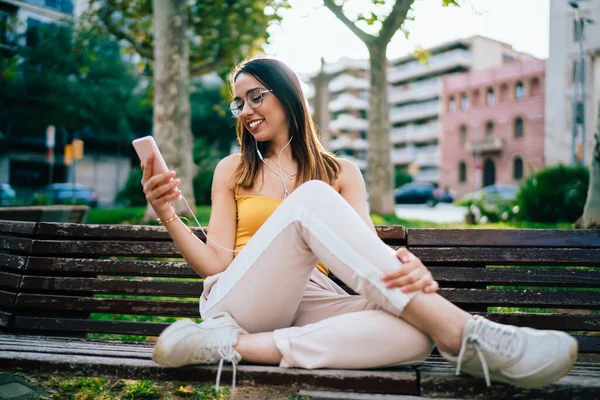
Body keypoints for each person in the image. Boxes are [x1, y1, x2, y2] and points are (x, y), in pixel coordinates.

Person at [140, 58, 577, 391]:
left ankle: (229, 347)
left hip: (312, 300)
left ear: (290, 96)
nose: (246, 110)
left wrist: (408, 269)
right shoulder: (232, 169)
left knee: (414, 335)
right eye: (239, 102)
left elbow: (363, 252)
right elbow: (215, 263)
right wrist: (166, 212)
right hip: (243, 298)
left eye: (257, 96)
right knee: (312, 197)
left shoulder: (342, 172)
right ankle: (467, 334)